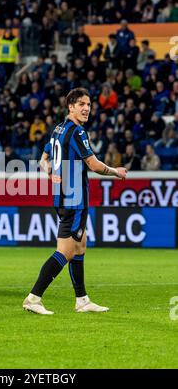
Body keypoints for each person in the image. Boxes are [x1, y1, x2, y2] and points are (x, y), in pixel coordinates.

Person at [23, 88, 127, 315]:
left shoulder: (58, 129)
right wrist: (116, 171)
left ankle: (82, 300)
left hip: (62, 196)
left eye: (88, 104)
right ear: (70, 106)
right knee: (66, 251)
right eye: (81, 104)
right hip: (74, 199)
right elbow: (94, 165)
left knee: (80, 246)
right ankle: (33, 298)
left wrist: (50, 174)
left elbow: (43, 159)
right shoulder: (77, 132)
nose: (86, 108)